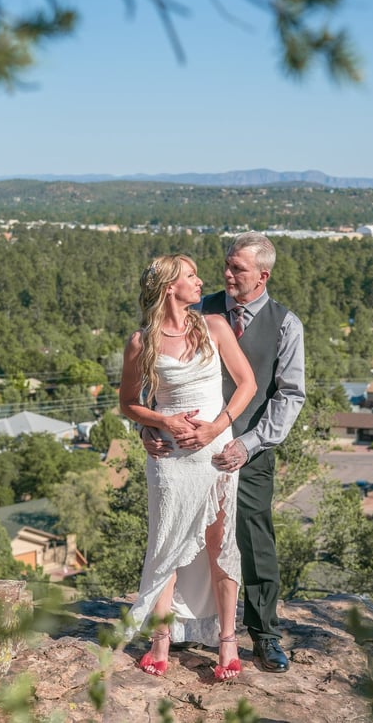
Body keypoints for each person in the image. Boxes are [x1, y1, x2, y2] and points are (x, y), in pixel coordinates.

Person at [145, 232, 306, 673]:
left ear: (263, 275)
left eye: (238, 268)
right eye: (227, 265)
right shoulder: (199, 308)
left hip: (249, 450)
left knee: (252, 540)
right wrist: (148, 426)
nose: (227, 274)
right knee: (182, 539)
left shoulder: (286, 325)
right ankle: (182, 628)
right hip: (186, 454)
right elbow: (157, 375)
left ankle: (265, 635)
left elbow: (290, 395)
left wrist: (248, 443)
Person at [119, 254, 256, 681]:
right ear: (168, 287)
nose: (201, 282)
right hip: (169, 460)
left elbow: (247, 383)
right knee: (167, 545)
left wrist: (216, 426)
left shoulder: (214, 326)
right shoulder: (141, 342)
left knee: (220, 544)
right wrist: (161, 422)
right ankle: (161, 641)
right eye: (191, 276)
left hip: (215, 455)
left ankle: (227, 641)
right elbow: (128, 403)